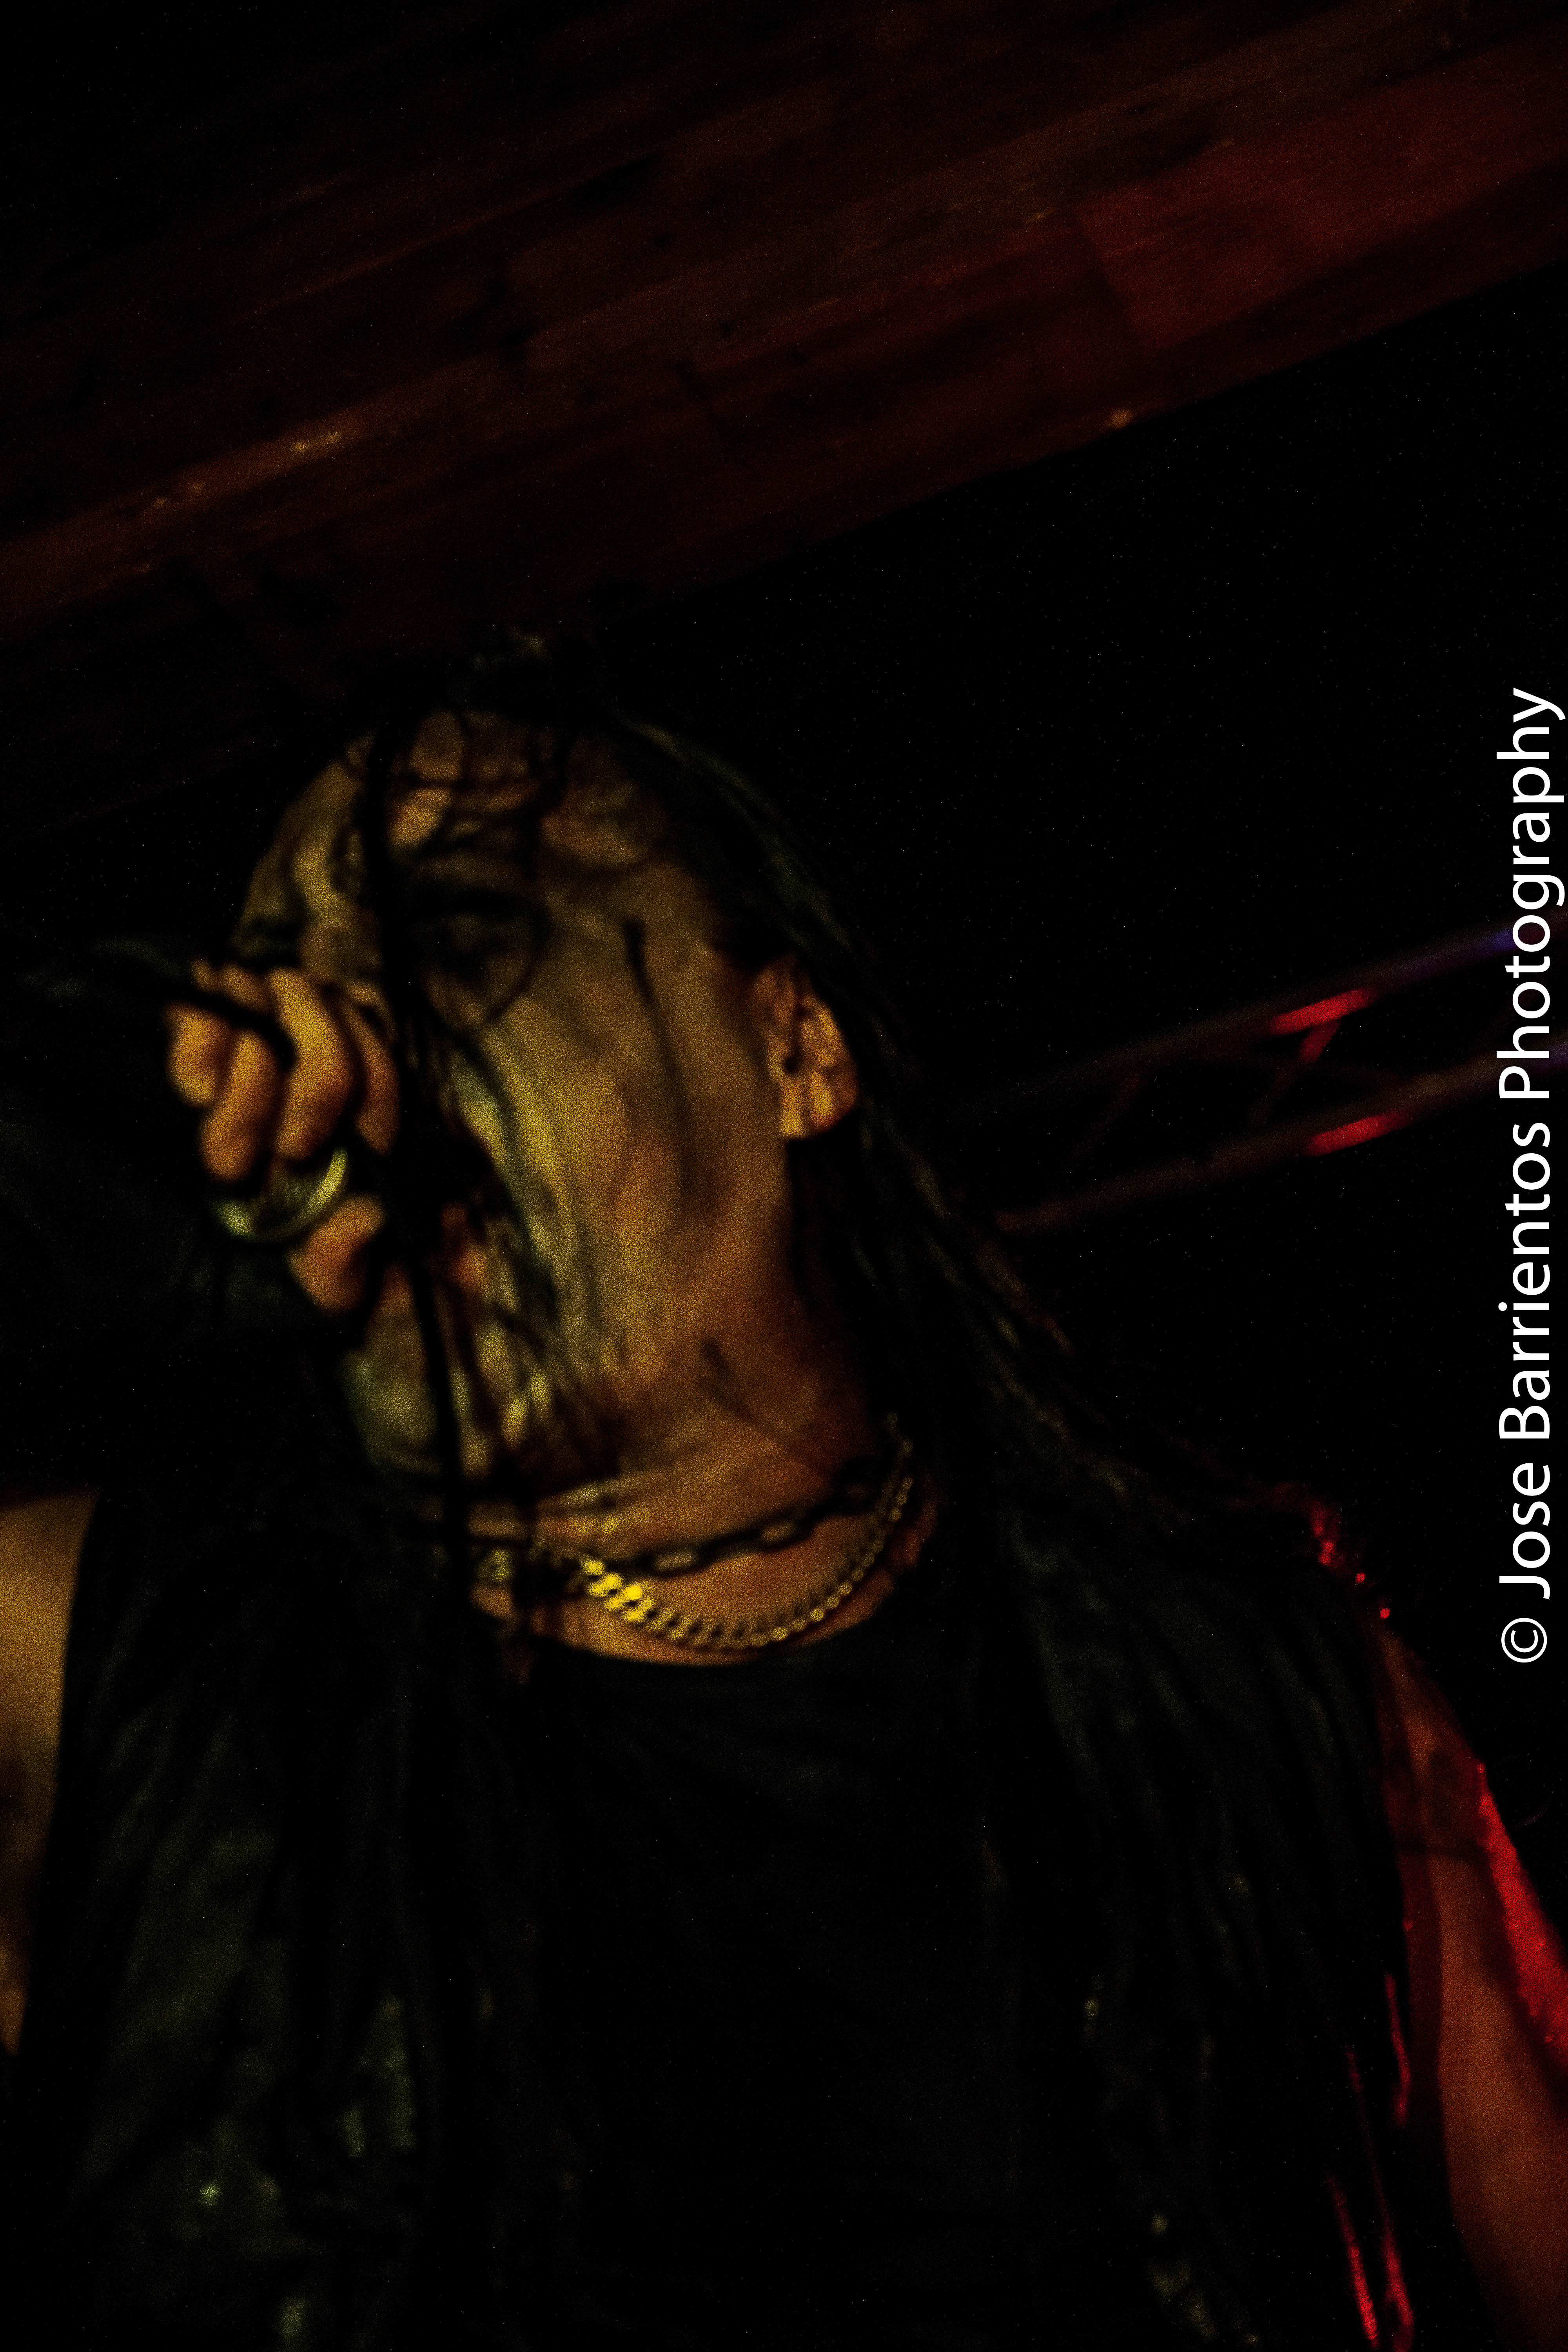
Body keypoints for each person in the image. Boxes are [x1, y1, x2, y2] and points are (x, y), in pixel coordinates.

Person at [0, 638, 1564, 2350]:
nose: (342, 1036)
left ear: (793, 1045)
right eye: (282, 978)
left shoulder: (1279, 1696)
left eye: (453, 933)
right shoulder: (75, 1654)